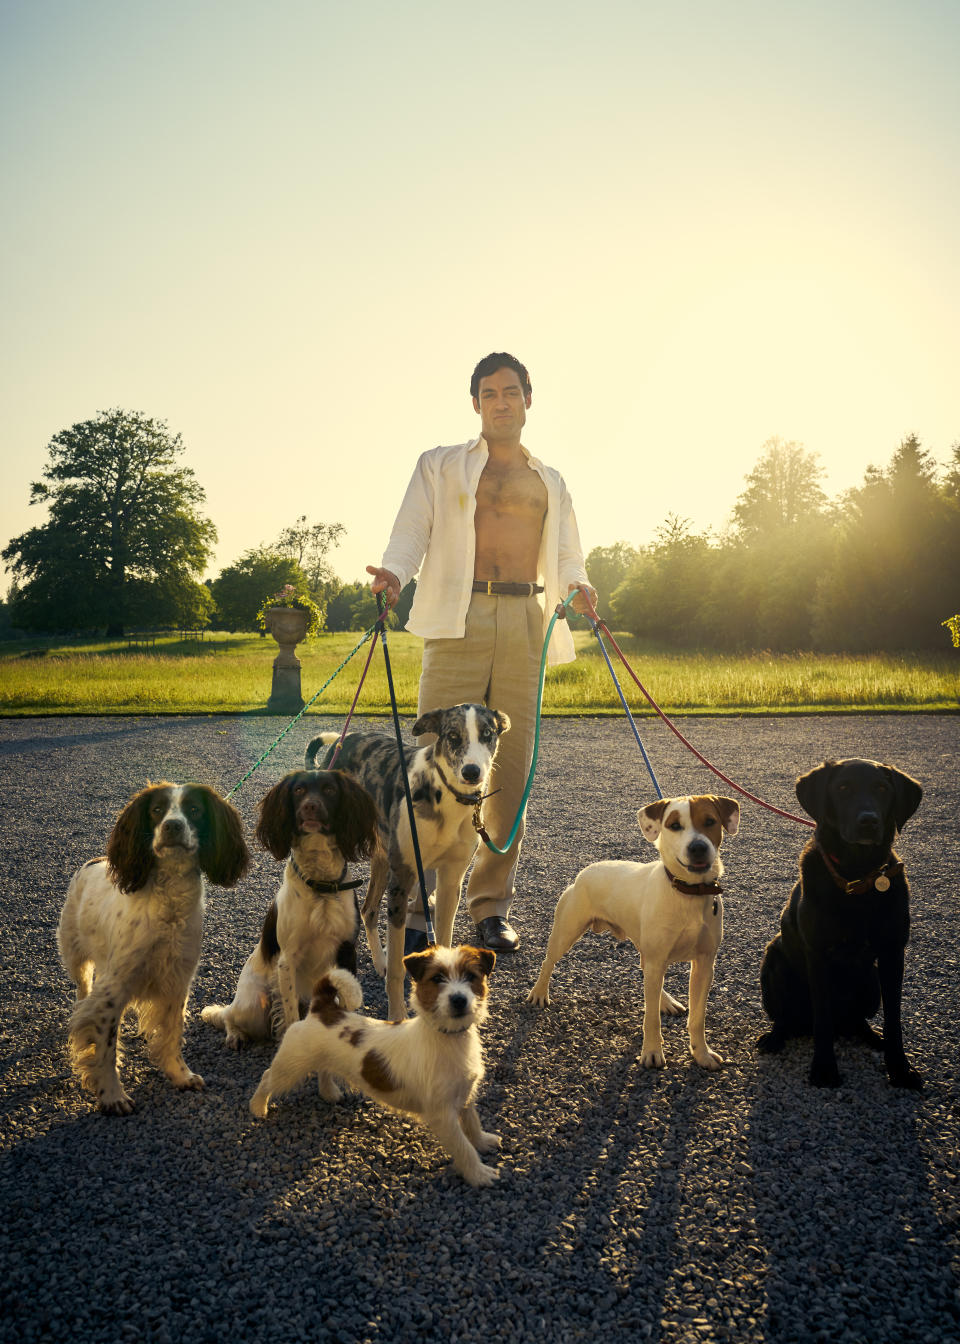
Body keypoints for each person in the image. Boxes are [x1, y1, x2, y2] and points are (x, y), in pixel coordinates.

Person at [367, 352, 596, 953]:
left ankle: (490, 908)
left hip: (525, 617)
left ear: (527, 400)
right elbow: (410, 531)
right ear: (475, 404)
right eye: (490, 393)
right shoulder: (439, 466)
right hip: (457, 615)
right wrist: (393, 574)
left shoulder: (550, 481)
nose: (501, 401)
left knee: (510, 772)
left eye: (512, 392)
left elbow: (568, 552)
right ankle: (416, 908)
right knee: (430, 764)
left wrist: (578, 585)